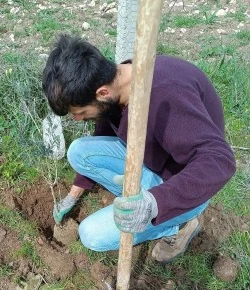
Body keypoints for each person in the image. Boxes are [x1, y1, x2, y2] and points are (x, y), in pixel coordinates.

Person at [42, 34, 236, 263]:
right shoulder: (118, 81)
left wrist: (154, 203)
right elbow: (104, 131)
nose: (77, 119)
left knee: (91, 234)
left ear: (102, 93)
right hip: (153, 163)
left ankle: (182, 224)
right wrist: (73, 195)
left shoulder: (166, 94)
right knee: (78, 151)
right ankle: (142, 199)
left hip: (181, 185)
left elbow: (221, 160)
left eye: (81, 112)